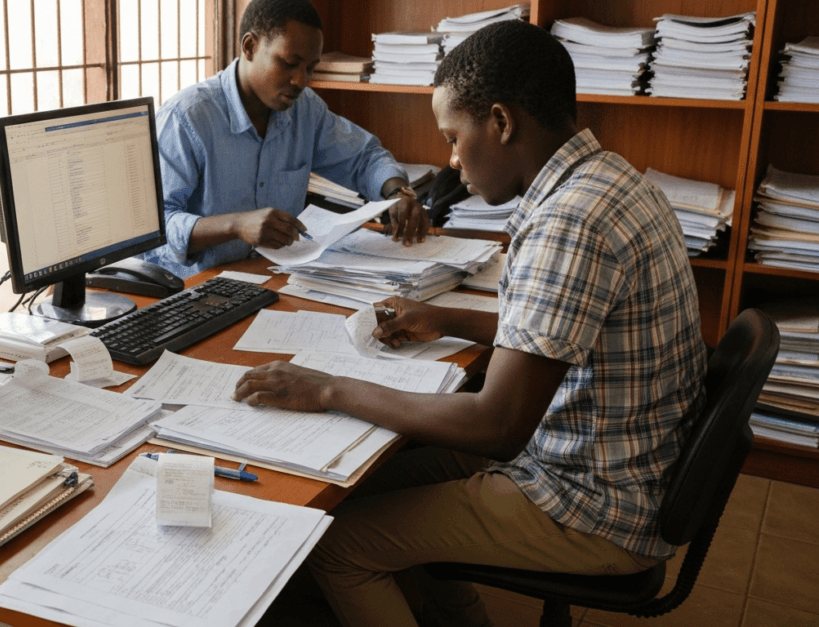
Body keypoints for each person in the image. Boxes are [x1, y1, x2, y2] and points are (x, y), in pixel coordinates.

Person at [233, 19, 708, 627]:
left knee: (337, 546)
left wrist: (328, 389)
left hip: (591, 502)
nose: (452, 160)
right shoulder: (609, 179)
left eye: (454, 137)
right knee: (380, 480)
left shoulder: (569, 221)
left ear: (501, 122)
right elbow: (564, 325)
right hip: (613, 464)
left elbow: (497, 426)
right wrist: (444, 317)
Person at [140, 0, 428, 279]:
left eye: (311, 68)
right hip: (193, 288)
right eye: (290, 63)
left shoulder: (305, 109)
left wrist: (396, 193)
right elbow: (154, 230)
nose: (301, 81)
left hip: (275, 278)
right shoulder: (187, 117)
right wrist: (235, 225)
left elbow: (364, 157)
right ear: (250, 47)